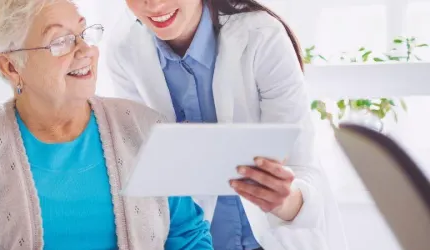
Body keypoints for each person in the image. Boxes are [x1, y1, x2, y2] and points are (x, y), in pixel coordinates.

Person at [0, 0, 213, 249]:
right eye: (59, 42)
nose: (84, 51)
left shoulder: (146, 131)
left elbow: (188, 236)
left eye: (83, 33)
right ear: (11, 66)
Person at [106, 0, 347, 249]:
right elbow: (146, 168)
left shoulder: (262, 36)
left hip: (273, 238)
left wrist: (284, 200)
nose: (154, 4)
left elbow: (299, 164)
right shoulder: (124, 49)